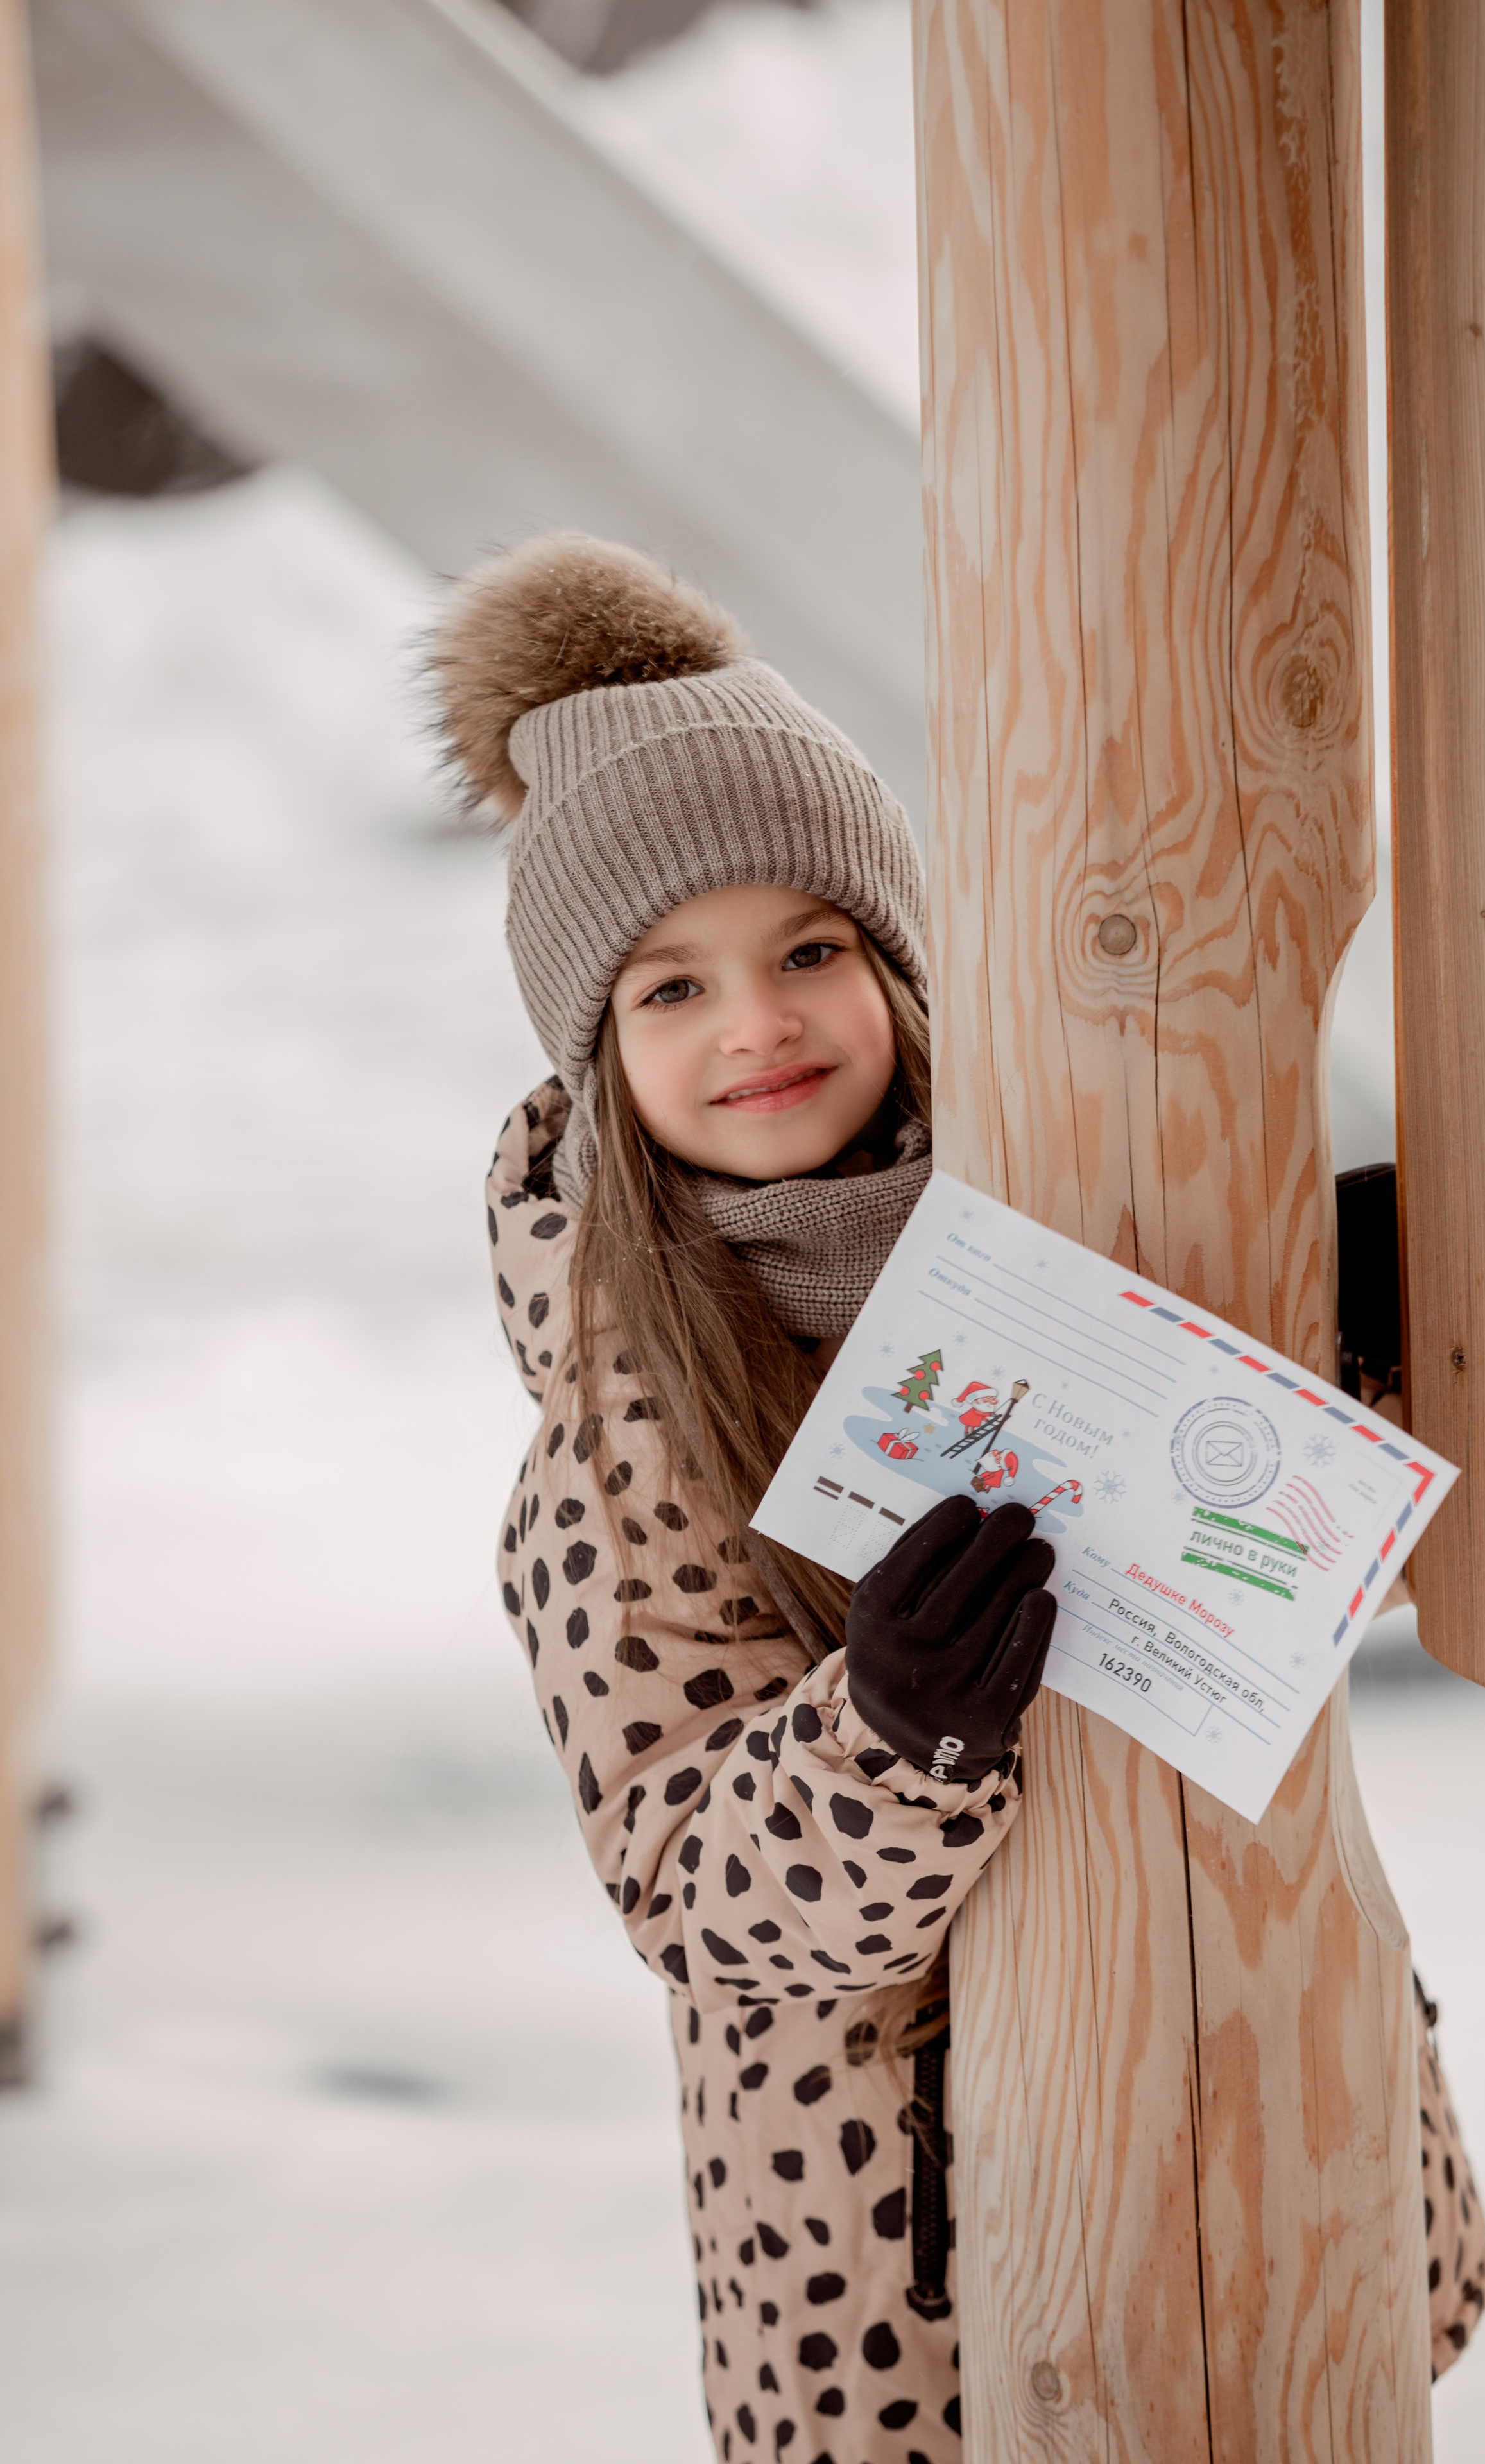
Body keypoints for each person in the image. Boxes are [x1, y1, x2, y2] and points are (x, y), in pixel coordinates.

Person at [429, 535, 1059, 2464]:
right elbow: (690, 1885)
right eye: (671, 987)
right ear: (598, 1052)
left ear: (899, 962)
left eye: (809, 951)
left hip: (1229, 2068)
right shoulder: (621, 1433)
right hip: (905, 2233)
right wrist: (889, 1735)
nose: (756, 1025)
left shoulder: (1053, 1232)